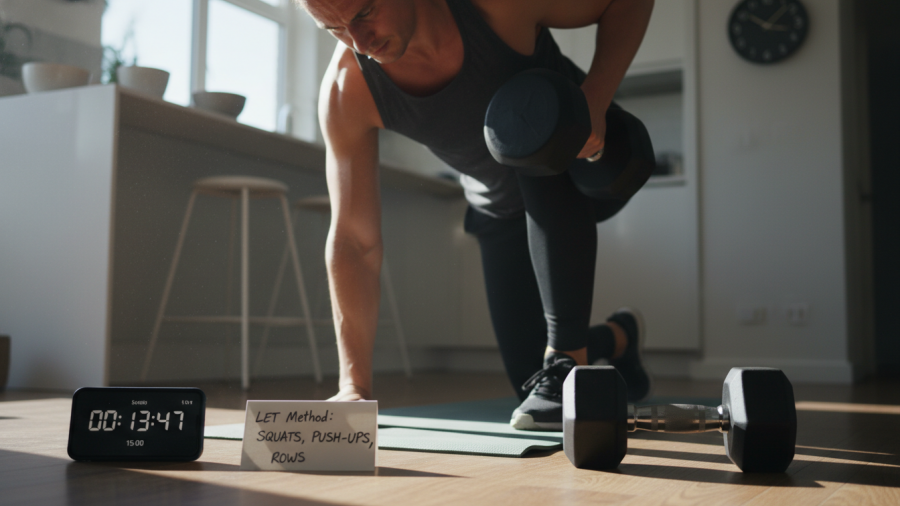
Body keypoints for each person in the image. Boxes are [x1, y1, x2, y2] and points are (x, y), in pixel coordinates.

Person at [297, 0, 654, 430]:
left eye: (364, 13)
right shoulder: (347, 88)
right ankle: (619, 338)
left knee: (529, 119)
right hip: (499, 210)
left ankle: (567, 358)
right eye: (333, 29)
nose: (359, 42)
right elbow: (355, 240)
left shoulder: (494, 7)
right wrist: (354, 385)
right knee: (530, 382)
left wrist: (595, 99)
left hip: (592, 162)